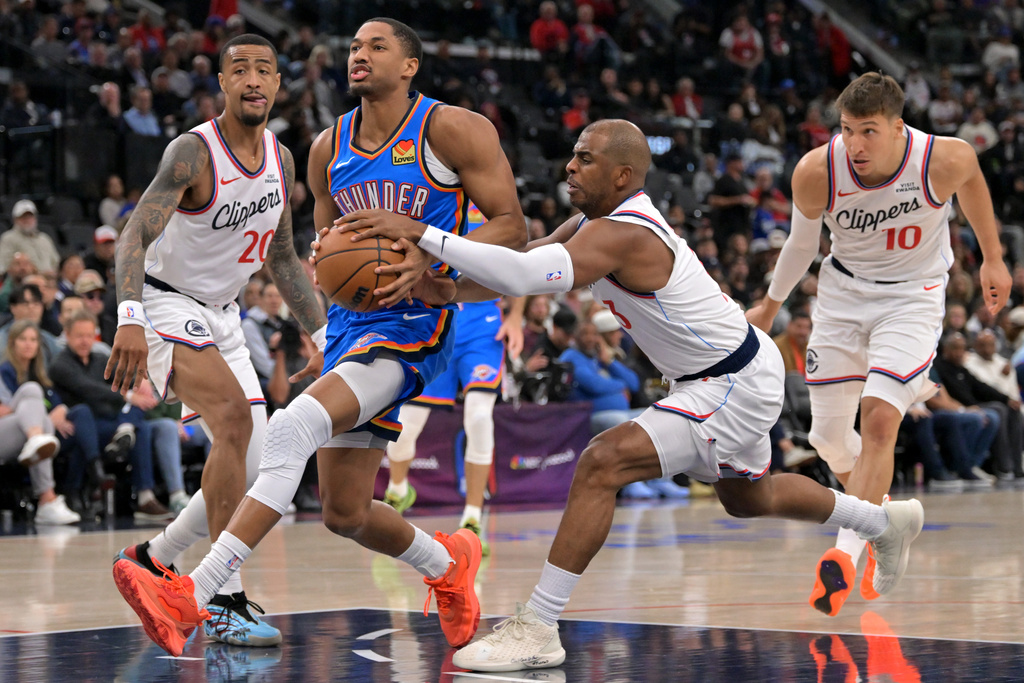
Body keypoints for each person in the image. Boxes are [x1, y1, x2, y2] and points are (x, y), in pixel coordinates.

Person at [327, 119, 924, 673]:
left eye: (584, 159)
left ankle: (538, 625)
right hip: (733, 370)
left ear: (621, 176)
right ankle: (880, 521)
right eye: (571, 156)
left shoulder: (624, 234)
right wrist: (445, 288)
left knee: (601, 462)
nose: (569, 166)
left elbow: (522, 279)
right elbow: (521, 259)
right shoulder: (595, 223)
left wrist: (425, 235)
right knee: (749, 497)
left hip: (729, 379)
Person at [111, 18, 525, 657]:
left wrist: (433, 254)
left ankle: (196, 592)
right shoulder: (326, 149)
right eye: (354, 47)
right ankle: (448, 565)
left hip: (414, 326)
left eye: (376, 47)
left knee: (283, 430)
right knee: (346, 512)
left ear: (411, 65)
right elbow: (328, 259)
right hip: (344, 328)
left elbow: (513, 231)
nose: (359, 55)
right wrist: (327, 333)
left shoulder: (453, 128)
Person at [745, 72, 1012, 618]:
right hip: (843, 296)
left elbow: (976, 187)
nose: (855, 144)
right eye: (846, 130)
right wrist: (770, 307)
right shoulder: (819, 169)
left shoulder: (943, 158)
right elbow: (800, 246)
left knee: (880, 421)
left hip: (913, 299)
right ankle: (890, 523)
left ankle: (844, 555)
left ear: (898, 127)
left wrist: (993, 256)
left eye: (868, 131)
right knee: (827, 440)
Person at [106, 33, 328, 648]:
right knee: (232, 423)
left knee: (256, 462)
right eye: (240, 70)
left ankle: (156, 558)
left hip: (223, 315)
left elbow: (283, 257)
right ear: (223, 84)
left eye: (265, 69)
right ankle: (222, 598)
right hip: (162, 300)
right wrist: (129, 317)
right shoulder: (193, 153)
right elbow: (131, 236)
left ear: (278, 84)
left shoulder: (281, 162)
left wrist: (324, 334)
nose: (253, 79)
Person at [382, 203, 525, 555]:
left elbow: (520, 259)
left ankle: (473, 518)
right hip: (436, 320)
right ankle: (399, 489)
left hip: (482, 326)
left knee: (478, 415)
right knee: (407, 425)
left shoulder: (493, 201)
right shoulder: (428, 194)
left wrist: (516, 316)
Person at [0, 320, 78, 525]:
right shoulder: (3, 371)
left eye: (33, 339)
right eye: (23, 339)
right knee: (32, 393)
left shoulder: (41, 374)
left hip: (19, 435)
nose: (28, 344)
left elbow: (57, 405)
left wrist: (60, 409)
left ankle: (47, 498)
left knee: (42, 421)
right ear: (12, 343)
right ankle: (47, 503)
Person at [0, 200, 60, 276]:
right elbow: (5, 265)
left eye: (30, 216)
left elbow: (56, 262)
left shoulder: (44, 238)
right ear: (15, 219)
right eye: (23, 217)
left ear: (35, 218)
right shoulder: (8, 238)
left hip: (48, 282)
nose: (27, 220)